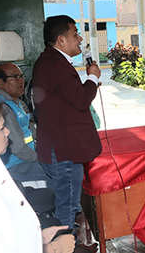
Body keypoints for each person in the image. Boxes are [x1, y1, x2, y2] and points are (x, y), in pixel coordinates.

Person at [32, 15, 102, 229]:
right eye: (75, 34)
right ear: (61, 40)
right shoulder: (55, 64)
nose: (80, 38)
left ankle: (69, 243)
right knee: (67, 205)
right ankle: (65, 245)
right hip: (63, 150)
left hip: (64, 147)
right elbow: (81, 100)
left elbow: (70, 99)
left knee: (70, 203)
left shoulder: (53, 62)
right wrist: (92, 78)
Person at [0, 96, 77, 253]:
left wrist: (37, 238)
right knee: (60, 172)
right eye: (2, 128)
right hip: (18, 166)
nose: (7, 132)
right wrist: (51, 249)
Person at [0, 64, 49, 182]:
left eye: (21, 76)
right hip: (14, 165)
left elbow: (31, 131)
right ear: (0, 82)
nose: (21, 80)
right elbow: (17, 147)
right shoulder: (2, 106)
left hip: (25, 159)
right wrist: (40, 159)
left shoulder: (16, 102)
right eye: (15, 77)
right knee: (57, 173)